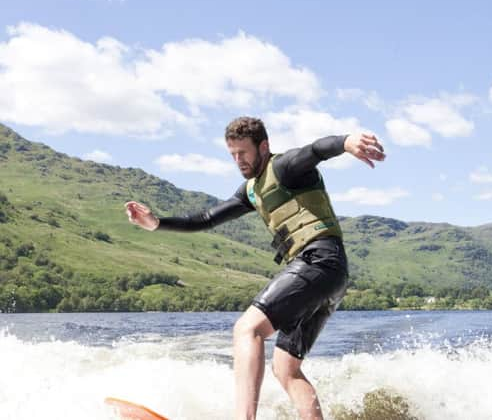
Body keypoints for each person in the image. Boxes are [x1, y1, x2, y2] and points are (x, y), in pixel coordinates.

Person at [125, 117, 385, 420]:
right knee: (286, 368)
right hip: (330, 276)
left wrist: (346, 141)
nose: (238, 160)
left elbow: (315, 150)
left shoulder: (285, 167)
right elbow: (207, 218)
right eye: (233, 154)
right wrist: (157, 223)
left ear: (263, 146)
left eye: (243, 153)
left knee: (247, 329)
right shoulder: (251, 190)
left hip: (319, 259)